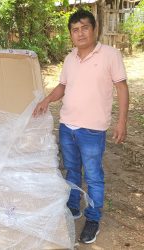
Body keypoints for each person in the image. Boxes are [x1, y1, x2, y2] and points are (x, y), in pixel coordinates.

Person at [33, 9, 129, 244]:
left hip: (92, 130)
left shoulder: (110, 55)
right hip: (68, 127)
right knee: (72, 171)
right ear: (71, 35)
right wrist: (46, 100)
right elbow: (62, 86)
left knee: (94, 176)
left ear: (94, 29)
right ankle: (73, 207)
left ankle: (93, 219)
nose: (80, 33)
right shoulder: (70, 58)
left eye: (85, 27)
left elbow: (122, 88)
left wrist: (122, 122)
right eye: (75, 30)